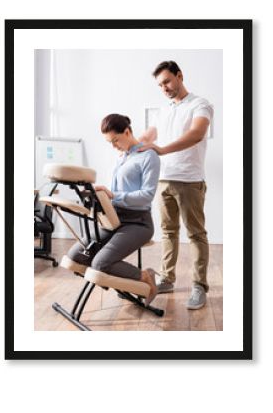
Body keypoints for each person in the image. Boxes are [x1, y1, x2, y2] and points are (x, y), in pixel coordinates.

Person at [139, 60, 214, 309]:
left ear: (180, 76)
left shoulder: (200, 104)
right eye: (160, 85)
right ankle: (167, 278)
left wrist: (161, 149)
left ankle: (199, 287)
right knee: (168, 232)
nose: (164, 88)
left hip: (190, 180)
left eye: (167, 81)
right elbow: (149, 136)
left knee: (195, 234)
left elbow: (197, 134)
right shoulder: (164, 110)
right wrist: (132, 146)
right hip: (164, 180)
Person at [68, 113, 161, 306]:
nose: (114, 146)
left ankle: (145, 276)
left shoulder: (148, 156)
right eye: (109, 142)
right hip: (113, 219)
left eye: (116, 140)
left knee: (100, 263)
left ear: (127, 132)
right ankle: (121, 282)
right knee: (76, 255)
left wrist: (114, 195)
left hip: (138, 223)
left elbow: (147, 195)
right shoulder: (122, 158)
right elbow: (114, 193)